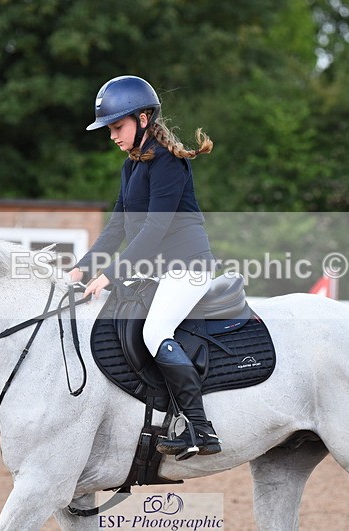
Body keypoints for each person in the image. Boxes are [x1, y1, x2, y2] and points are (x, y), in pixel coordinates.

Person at [68, 75, 221, 460]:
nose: (111, 135)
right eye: (109, 129)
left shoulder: (168, 162)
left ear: (142, 118)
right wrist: (80, 269)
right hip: (160, 271)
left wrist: (110, 274)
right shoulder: (131, 167)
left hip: (188, 267)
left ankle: (200, 429)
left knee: (155, 331)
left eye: (116, 127)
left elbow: (155, 228)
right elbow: (117, 226)